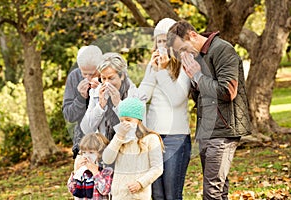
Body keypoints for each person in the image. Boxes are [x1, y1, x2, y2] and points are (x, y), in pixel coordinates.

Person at [167, 20, 252, 200]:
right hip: (207, 129)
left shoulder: (222, 49)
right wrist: (193, 81)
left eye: (183, 48)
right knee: (219, 189)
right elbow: (202, 96)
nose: (184, 54)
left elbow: (227, 91)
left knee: (212, 190)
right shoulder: (198, 56)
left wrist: (197, 76)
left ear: (192, 35)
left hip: (224, 128)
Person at [138, 18, 191, 200]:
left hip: (176, 137)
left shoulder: (185, 65)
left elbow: (177, 98)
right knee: (157, 195)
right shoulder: (154, 67)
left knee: (171, 195)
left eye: (165, 40)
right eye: (159, 41)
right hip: (153, 137)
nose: (162, 45)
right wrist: (153, 72)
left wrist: (163, 71)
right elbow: (142, 97)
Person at [102, 97, 164, 200]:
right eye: (121, 120)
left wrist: (140, 183)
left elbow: (157, 168)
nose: (124, 123)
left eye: (128, 120)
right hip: (118, 196)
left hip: (138, 196)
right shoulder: (119, 138)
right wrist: (119, 137)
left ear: (139, 120)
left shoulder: (151, 139)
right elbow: (107, 159)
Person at [80, 52, 146, 141]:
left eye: (111, 78)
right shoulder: (96, 92)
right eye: (104, 78)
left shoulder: (137, 95)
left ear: (122, 76)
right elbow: (86, 130)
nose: (107, 83)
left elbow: (138, 132)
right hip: (104, 150)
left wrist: (119, 105)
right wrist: (100, 106)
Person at [62, 45, 103, 159]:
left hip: (109, 141)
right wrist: (81, 98)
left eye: (93, 74)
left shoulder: (110, 75)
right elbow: (69, 116)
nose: (89, 78)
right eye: (85, 74)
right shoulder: (74, 77)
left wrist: (102, 92)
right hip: (84, 144)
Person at [67, 133, 113, 200]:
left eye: (91, 152)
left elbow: (105, 190)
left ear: (101, 153)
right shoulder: (83, 171)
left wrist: (95, 172)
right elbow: (72, 189)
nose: (87, 156)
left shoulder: (106, 171)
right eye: (84, 152)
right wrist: (76, 171)